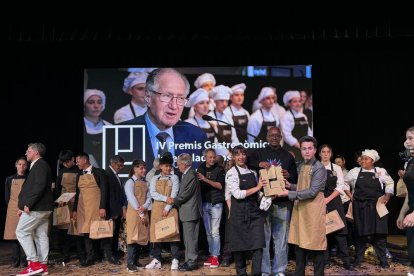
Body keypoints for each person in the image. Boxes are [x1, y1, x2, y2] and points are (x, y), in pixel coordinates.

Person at [119, 68, 207, 170]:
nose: (174, 106)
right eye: (166, 96)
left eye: (181, 98)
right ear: (148, 97)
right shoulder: (121, 134)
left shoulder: (196, 136)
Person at [247, 127, 298, 276]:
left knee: (281, 239)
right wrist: (259, 164)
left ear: (281, 137)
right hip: (264, 202)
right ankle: (264, 270)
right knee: (264, 239)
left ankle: (279, 270)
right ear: (267, 137)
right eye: (271, 135)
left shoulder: (288, 156)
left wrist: (289, 174)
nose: (274, 137)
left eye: (277, 135)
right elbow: (248, 163)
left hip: (282, 203)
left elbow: (295, 177)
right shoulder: (258, 153)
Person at [277, 136, 327, 276]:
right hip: (301, 210)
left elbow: (312, 192)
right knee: (299, 246)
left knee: (316, 246)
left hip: (313, 210)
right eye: (304, 148)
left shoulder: (319, 168)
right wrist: (291, 186)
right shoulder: (302, 165)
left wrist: (288, 193)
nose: (306, 151)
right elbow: (302, 186)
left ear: (315, 150)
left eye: (310, 148)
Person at [344, 149, 394, 268]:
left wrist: (387, 196)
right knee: (361, 234)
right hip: (360, 206)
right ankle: (358, 259)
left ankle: (383, 260)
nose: (363, 161)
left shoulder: (380, 171)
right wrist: (350, 196)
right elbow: (344, 183)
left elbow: (390, 183)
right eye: (362, 158)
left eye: (366, 159)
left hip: (377, 206)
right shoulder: (355, 171)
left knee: (379, 234)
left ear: (372, 161)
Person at [225, 145, 265, 276]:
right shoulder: (231, 173)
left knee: (258, 245)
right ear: (234, 157)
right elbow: (237, 194)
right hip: (239, 213)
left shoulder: (253, 173)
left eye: (243, 154)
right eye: (238, 154)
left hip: (254, 213)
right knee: (238, 247)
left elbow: (257, 194)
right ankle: (241, 273)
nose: (241, 157)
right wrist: (258, 187)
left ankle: (257, 273)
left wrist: (266, 197)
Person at [16, 143, 53, 276]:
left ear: (36, 152)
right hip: (42, 208)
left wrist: (28, 204)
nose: (26, 153)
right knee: (41, 236)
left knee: (21, 231)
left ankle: (34, 264)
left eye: (28, 151)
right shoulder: (39, 165)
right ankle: (43, 265)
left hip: (37, 207)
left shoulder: (40, 165)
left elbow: (39, 186)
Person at [318, 145, 353, 270]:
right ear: (320, 153)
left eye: (328, 152)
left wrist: (328, 199)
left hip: (334, 200)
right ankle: (325, 260)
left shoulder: (336, 168)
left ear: (331, 154)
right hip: (319, 200)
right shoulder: (315, 166)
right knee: (323, 231)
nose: (326, 154)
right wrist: (321, 199)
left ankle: (346, 261)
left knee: (340, 231)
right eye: (323, 152)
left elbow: (340, 186)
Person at [72, 152, 108, 267]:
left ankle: (106, 255)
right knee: (86, 232)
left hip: (96, 207)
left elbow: (104, 191)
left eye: (78, 161)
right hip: (83, 208)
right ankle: (90, 257)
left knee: (101, 231)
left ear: (85, 160)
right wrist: (74, 210)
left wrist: (102, 207)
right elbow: (77, 194)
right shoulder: (79, 175)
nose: (76, 163)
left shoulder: (99, 172)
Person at [146, 152, 181, 270]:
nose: (168, 168)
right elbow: (153, 193)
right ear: (160, 166)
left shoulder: (175, 177)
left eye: (170, 166)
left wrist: (167, 207)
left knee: (173, 234)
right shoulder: (155, 178)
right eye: (166, 166)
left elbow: (174, 194)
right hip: (157, 209)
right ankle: (157, 260)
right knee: (157, 234)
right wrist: (165, 198)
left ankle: (175, 259)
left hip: (170, 209)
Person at [169, 153, 202, 271]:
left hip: (191, 211)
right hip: (187, 212)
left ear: (184, 164)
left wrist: (174, 200)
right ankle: (189, 260)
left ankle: (192, 261)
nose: (177, 166)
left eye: (178, 163)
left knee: (191, 238)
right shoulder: (186, 174)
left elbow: (186, 193)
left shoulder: (191, 174)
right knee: (188, 239)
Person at [197, 148, 225, 268]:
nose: (212, 159)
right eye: (210, 157)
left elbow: (219, 186)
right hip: (204, 203)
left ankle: (216, 256)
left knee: (215, 232)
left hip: (216, 204)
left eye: (214, 157)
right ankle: (211, 254)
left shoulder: (219, 169)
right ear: (205, 158)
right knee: (208, 233)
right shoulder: (200, 168)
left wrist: (205, 179)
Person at [124, 159, 151, 272]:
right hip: (134, 214)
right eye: (141, 168)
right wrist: (140, 212)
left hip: (143, 212)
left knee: (141, 238)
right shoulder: (130, 182)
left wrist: (144, 207)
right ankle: (130, 263)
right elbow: (131, 198)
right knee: (133, 238)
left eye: (144, 168)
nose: (143, 170)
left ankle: (136, 261)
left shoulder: (145, 183)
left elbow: (149, 197)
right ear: (135, 169)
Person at [54, 150, 80, 263]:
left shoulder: (79, 170)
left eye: (67, 162)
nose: (66, 164)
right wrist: (58, 201)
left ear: (73, 159)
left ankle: (80, 253)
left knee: (78, 229)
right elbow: (58, 189)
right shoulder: (61, 172)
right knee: (64, 231)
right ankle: (65, 254)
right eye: (64, 162)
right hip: (64, 203)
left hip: (77, 202)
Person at [4, 157, 27, 268]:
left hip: (25, 209)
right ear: (16, 165)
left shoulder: (29, 179)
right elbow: (7, 196)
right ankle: (15, 259)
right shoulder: (9, 179)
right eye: (20, 164)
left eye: (24, 165)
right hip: (12, 208)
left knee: (24, 235)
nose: (22, 167)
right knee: (14, 235)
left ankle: (24, 259)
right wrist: (12, 206)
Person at [396, 126, 414, 268]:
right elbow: (410, 192)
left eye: (411, 138)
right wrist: (403, 213)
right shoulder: (410, 162)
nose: (407, 142)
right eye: (406, 138)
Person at [280, 91, 312, 163]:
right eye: (295, 102)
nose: (298, 104)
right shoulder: (285, 116)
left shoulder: (303, 116)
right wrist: (301, 147)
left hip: (304, 149)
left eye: (299, 101)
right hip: (291, 150)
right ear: (289, 103)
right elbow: (287, 136)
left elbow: (309, 132)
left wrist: (309, 145)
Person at [208, 85, 239, 157]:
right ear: (215, 101)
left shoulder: (228, 117)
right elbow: (214, 142)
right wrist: (227, 154)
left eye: (226, 101)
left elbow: (234, 138)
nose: (225, 104)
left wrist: (237, 152)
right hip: (217, 156)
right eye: (221, 101)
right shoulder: (210, 117)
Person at [105, 155, 126, 261]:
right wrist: (112, 212)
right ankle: (110, 256)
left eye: (122, 166)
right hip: (112, 211)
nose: (120, 168)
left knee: (116, 233)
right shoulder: (107, 174)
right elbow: (108, 195)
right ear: (113, 163)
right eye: (119, 165)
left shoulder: (115, 174)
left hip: (118, 210)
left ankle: (114, 252)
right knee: (110, 234)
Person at [83, 89, 112, 167]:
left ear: (103, 105)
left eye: (99, 102)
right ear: (84, 105)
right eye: (91, 102)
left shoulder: (110, 127)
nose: (96, 106)